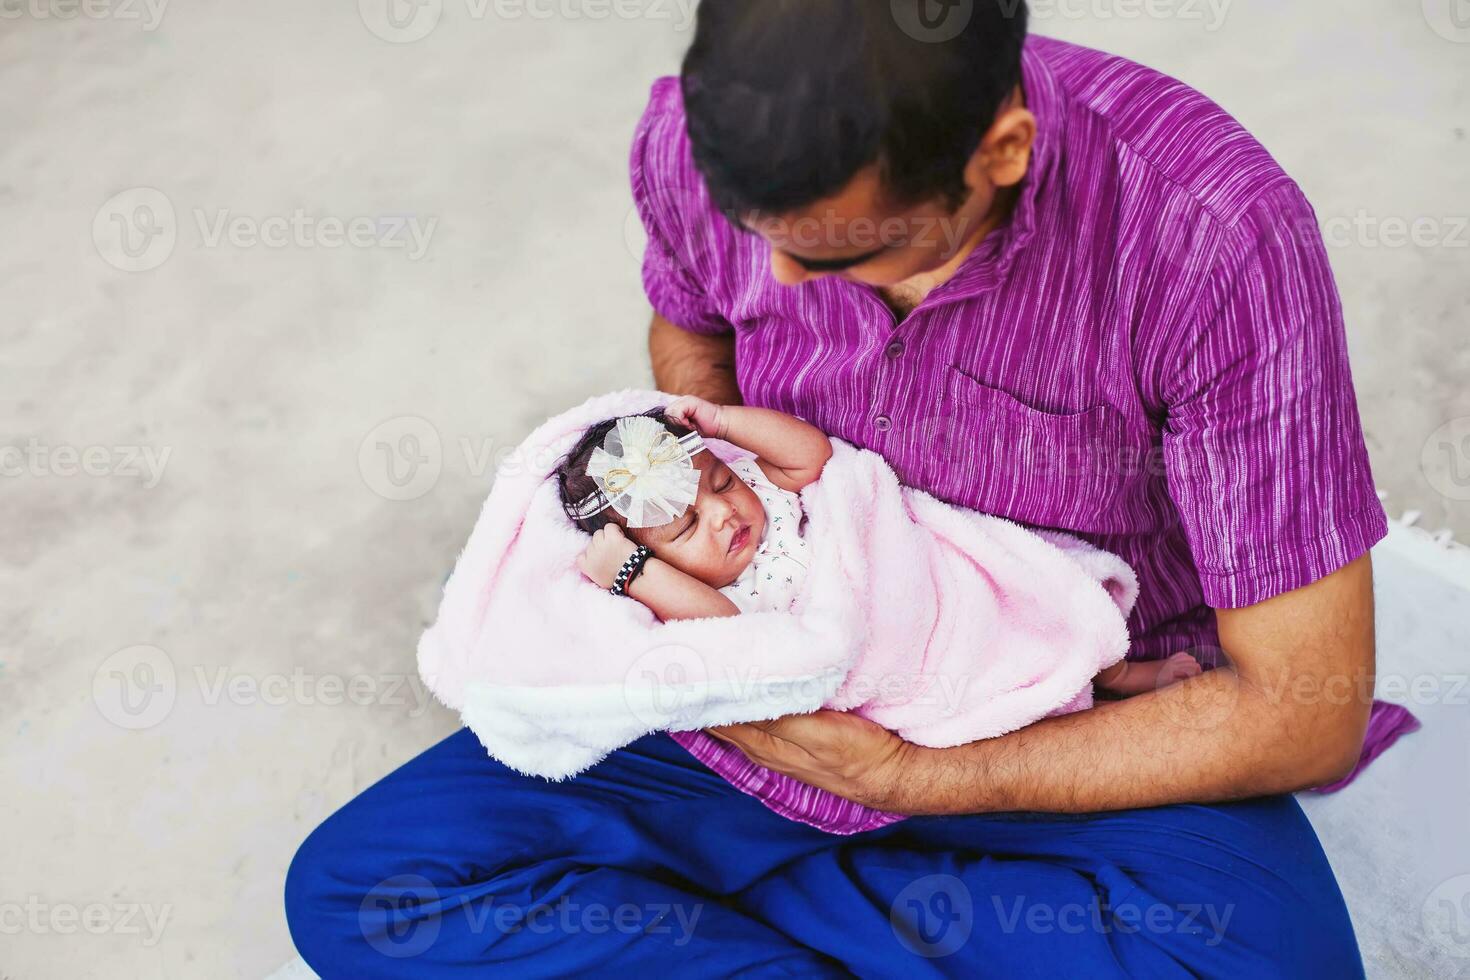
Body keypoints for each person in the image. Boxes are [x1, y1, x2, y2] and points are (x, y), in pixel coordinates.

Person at [286, 2, 1382, 974]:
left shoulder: (1213, 242)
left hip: (1048, 703)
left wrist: (911, 774)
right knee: (370, 893)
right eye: (766, 240)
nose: (788, 287)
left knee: (1273, 958)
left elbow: (1301, 711)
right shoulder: (700, 144)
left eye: (849, 255)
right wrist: (711, 532)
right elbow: (692, 330)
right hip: (764, 687)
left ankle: (711, 906)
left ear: (1001, 152)